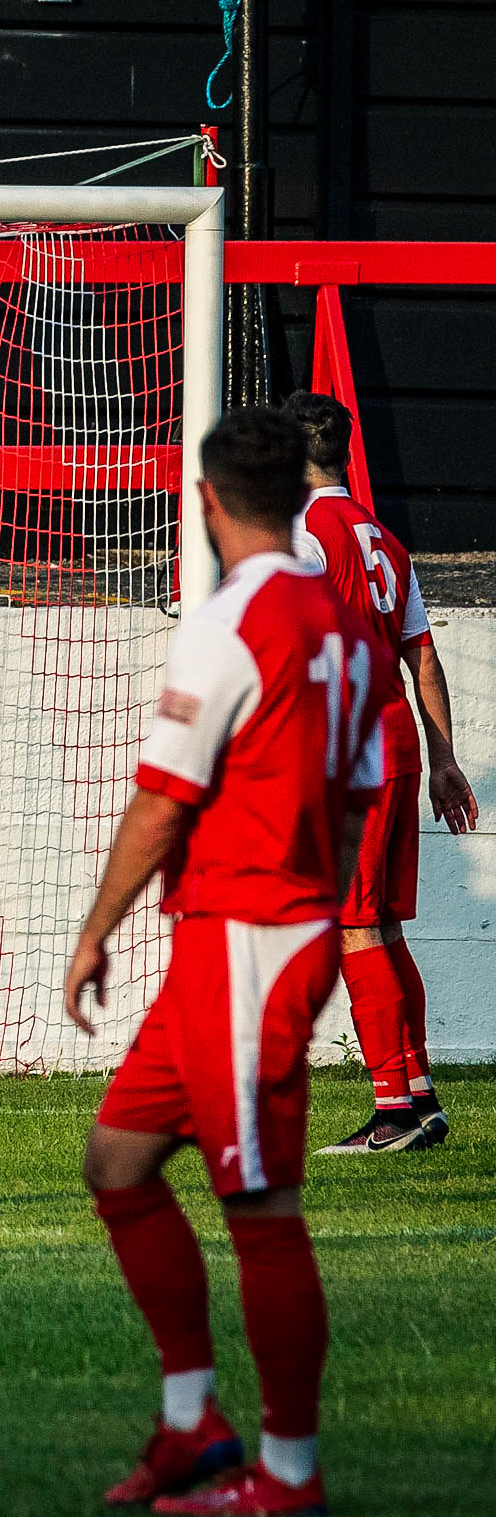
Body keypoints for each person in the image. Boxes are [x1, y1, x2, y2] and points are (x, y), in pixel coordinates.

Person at [64, 407, 384, 1517]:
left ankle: (287, 1473)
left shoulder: (231, 621)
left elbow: (162, 802)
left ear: (205, 500)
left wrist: (96, 930)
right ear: (298, 493)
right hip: (242, 938)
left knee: (260, 1206)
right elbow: (358, 796)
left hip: (249, 941)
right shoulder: (343, 623)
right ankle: (192, 1422)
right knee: (118, 1160)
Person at [283, 391, 478, 1154]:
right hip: (395, 739)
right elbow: (419, 653)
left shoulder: (302, 535)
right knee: (383, 926)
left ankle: (392, 1108)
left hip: (347, 747)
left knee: (353, 924)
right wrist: (443, 758)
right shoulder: (383, 540)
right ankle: (418, 1093)